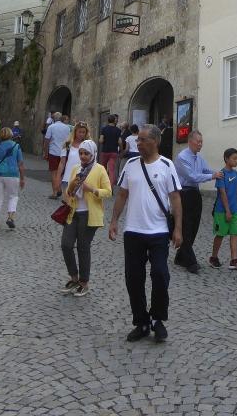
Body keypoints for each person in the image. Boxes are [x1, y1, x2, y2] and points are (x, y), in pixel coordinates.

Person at [109, 124, 183, 343]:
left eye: (142, 140)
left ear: (155, 142)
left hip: (159, 231)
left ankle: (157, 320)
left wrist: (178, 228)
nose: (137, 143)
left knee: (161, 275)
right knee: (134, 278)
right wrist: (114, 220)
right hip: (133, 230)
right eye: (138, 140)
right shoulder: (131, 164)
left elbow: (176, 198)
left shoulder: (167, 165)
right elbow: (122, 195)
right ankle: (140, 321)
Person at [60, 139, 112, 298]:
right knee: (66, 244)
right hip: (73, 212)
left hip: (90, 214)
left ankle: (84, 282)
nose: (82, 156)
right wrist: (72, 185)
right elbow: (69, 192)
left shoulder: (99, 169)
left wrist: (93, 190)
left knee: (83, 247)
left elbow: (108, 192)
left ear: (93, 154)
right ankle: (74, 277)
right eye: (81, 153)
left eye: (86, 153)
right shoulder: (76, 168)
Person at [173, 130, 223, 274]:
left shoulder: (199, 157)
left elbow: (207, 170)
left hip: (195, 194)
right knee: (186, 227)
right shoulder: (182, 158)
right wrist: (213, 176)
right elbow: (192, 176)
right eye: (198, 141)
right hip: (184, 194)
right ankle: (191, 262)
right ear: (190, 141)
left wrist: (219, 173)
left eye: (202, 142)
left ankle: (180, 257)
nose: (200, 144)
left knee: (194, 226)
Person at [210, 147, 237, 270]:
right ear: (226, 159)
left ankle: (234, 260)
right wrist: (227, 211)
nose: (236, 161)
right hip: (222, 210)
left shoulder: (236, 174)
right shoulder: (221, 174)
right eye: (234, 158)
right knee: (220, 234)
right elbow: (222, 193)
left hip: (235, 209)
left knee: (234, 234)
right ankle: (214, 257)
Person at [0, 127, 25, 232]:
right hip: (12, 174)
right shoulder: (16, 146)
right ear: (11, 135)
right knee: (13, 196)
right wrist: (22, 178)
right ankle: (10, 217)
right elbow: (20, 164)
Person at [44, 114, 71, 200]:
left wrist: (45, 152)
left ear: (54, 118)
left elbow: (47, 140)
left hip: (53, 152)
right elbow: (69, 141)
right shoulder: (67, 128)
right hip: (63, 152)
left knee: (54, 173)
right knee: (61, 173)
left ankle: (55, 192)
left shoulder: (51, 127)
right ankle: (58, 188)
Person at [59, 121, 91, 193]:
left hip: (83, 180)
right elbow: (62, 163)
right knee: (67, 202)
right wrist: (58, 179)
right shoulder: (68, 144)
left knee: (78, 203)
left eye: (83, 132)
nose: (81, 134)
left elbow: (92, 163)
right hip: (67, 178)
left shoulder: (89, 145)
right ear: (75, 132)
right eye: (79, 132)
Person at [99, 115, 122, 187]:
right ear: (114, 120)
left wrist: (102, 141)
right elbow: (120, 142)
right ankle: (110, 187)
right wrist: (121, 149)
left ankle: (102, 185)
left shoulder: (104, 129)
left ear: (108, 120)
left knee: (103, 168)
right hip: (114, 152)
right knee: (112, 170)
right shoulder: (118, 130)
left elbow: (101, 140)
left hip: (105, 151)